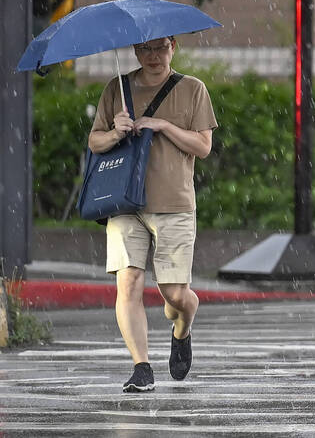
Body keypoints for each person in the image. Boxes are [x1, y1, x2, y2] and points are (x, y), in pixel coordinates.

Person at [88, 36, 217, 392]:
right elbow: (94, 142)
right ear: (135, 52)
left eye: (161, 48)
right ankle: (141, 367)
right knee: (127, 283)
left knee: (174, 294)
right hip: (125, 203)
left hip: (174, 204)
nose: (154, 56)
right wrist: (117, 131)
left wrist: (161, 126)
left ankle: (183, 327)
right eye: (146, 49)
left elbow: (203, 147)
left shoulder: (193, 89)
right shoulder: (117, 88)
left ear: (173, 47)